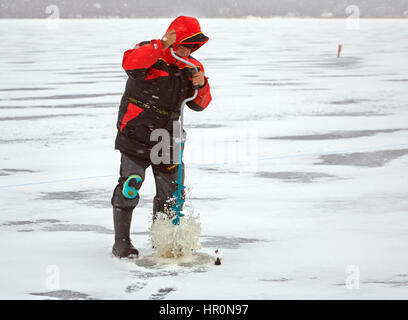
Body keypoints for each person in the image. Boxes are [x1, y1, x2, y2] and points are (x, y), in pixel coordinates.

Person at [111, 16, 212, 258]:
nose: (186, 50)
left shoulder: (192, 66)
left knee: (172, 193)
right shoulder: (148, 51)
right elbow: (130, 64)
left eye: (191, 47)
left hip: (169, 137)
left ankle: (164, 239)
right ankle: (121, 242)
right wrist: (162, 44)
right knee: (130, 186)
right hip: (136, 132)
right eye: (183, 44)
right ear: (173, 39)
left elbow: (200, 104)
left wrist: (202, 83)